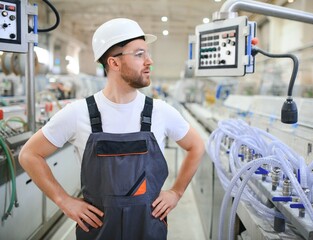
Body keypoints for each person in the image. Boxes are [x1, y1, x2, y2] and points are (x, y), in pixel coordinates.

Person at [19, 18, 204, 239]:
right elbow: (29, 154)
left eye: (147, 53)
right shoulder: (79, 113)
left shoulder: (160, 112)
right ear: (114, 63)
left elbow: (196, 146)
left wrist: (176, 191)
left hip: (148, 229)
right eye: (139, 54)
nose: (149, 61)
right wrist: (64, 200)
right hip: (98, 231)